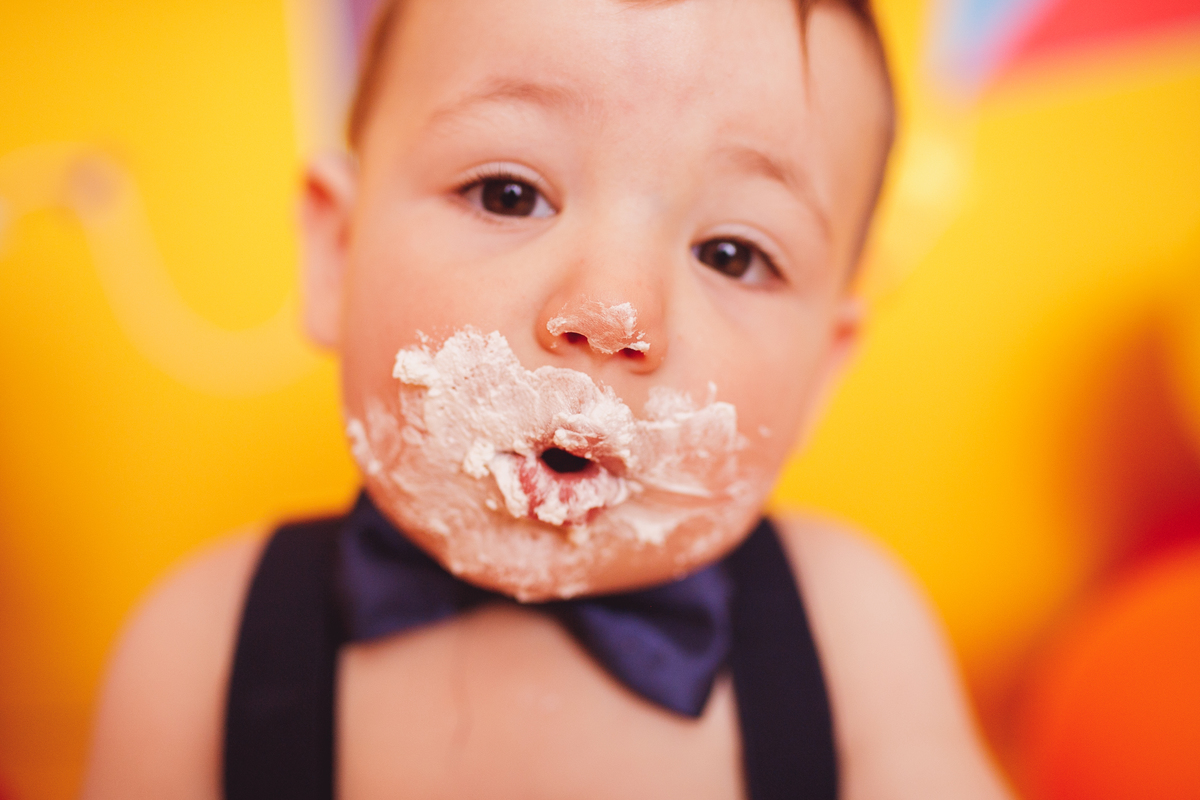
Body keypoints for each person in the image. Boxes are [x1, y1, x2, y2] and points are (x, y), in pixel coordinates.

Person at [81, 0, 1013, 797]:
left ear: (822, 373)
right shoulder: (197, 651)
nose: (613, 314)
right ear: (336, 255)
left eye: (732, 254)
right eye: (508, 194)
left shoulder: (857, 638)